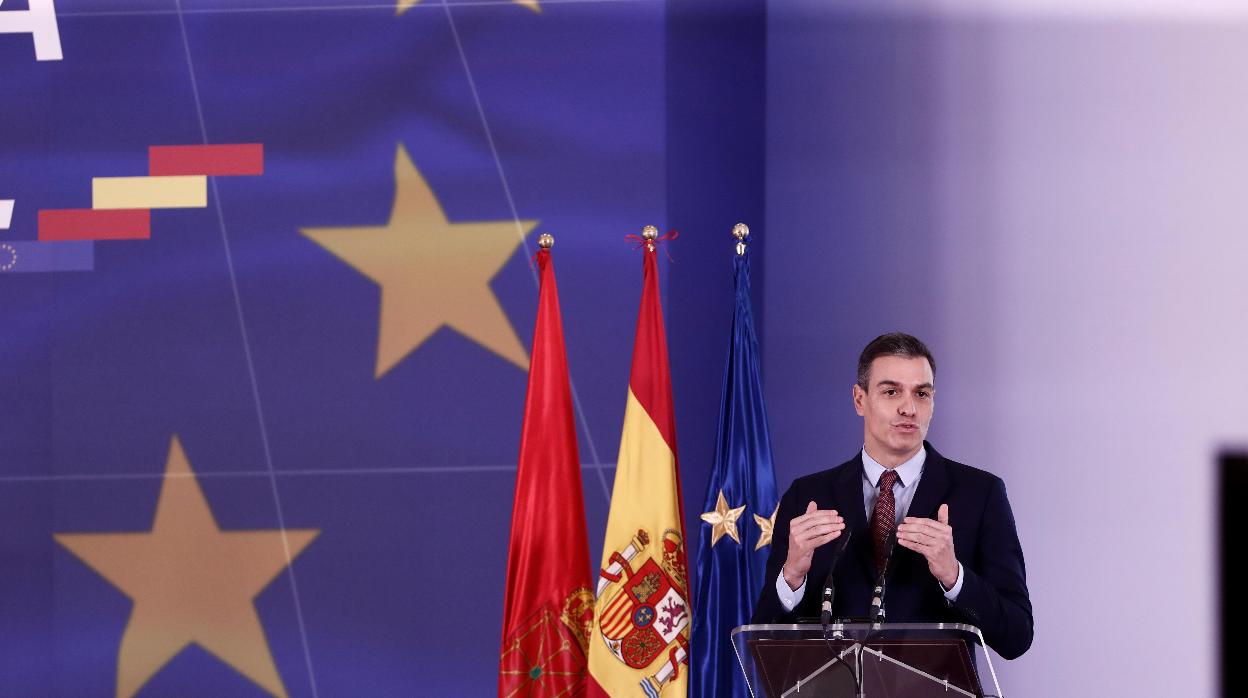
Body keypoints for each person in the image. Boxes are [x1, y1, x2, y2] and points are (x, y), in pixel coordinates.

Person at [751, 332, 1033, 660]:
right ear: (860, 400)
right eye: (891, 391)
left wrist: (954, 576)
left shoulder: (980, 493)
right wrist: (792, 575)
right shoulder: (808, 495)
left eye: (921, 394)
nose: (908, 408)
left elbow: (1016, 636)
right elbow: (764, 640)